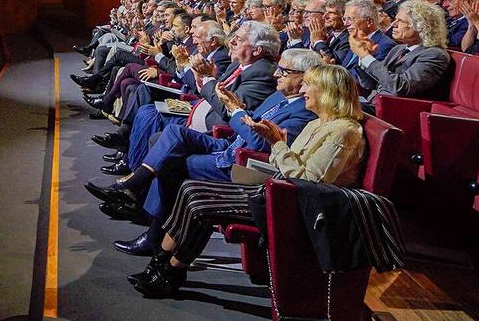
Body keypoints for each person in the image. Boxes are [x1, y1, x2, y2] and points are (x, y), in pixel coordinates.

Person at [132, 64, 368, 297]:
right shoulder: (318, 122)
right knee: (189, 188)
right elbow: (289, 165)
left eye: (309, 85)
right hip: (280, 189)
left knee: (200, 204)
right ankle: (159, 263)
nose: (303, 89)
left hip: (296, 205)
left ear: (327, 91)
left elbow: (309, 181)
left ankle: (171, 272)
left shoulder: (344, 132)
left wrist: (276, 143)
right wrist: (276, 145)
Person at [351, 0, 454, 97]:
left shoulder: (435, 55)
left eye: (400, 21)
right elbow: (371, 85)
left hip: (395, 109)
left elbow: (401, 88)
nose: (393, 24)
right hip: (374, 102)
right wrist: (364, 57)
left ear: (420, 26)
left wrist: (367, 58)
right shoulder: (398, 49)